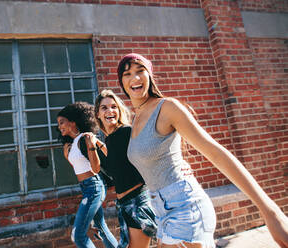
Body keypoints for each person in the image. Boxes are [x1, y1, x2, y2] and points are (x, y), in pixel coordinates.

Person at [116, 53, 288, 248]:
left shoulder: (167, 108)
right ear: (122, 81)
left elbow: (216, 153)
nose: (135, 78)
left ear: (150, 75)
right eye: (127, 73)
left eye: (140, 71)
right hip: (161, 211)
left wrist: (270, 212)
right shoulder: (135, 119)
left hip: (185, 206)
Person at [89, 89, 157, 248]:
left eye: (113, 106)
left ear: (119, 111)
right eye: (104, 108)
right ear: (98, 114)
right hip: (124, 204)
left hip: (138, 201)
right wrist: (95, 146)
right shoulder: (109, 140)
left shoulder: (126, 132)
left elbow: (149, 154)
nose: (110, 111)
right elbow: (106, 169)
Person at [57, 102, 118, 248]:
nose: (60, 127)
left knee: (78, 235)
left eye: (62, 122)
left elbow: (98, 165)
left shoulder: (86, 138)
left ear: (73, 122)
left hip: (94, 187)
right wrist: (67, 154)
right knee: (101, 227)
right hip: (86, 188)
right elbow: (78, 168)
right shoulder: (70, 145)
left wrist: (94, 145)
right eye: (58, 124)